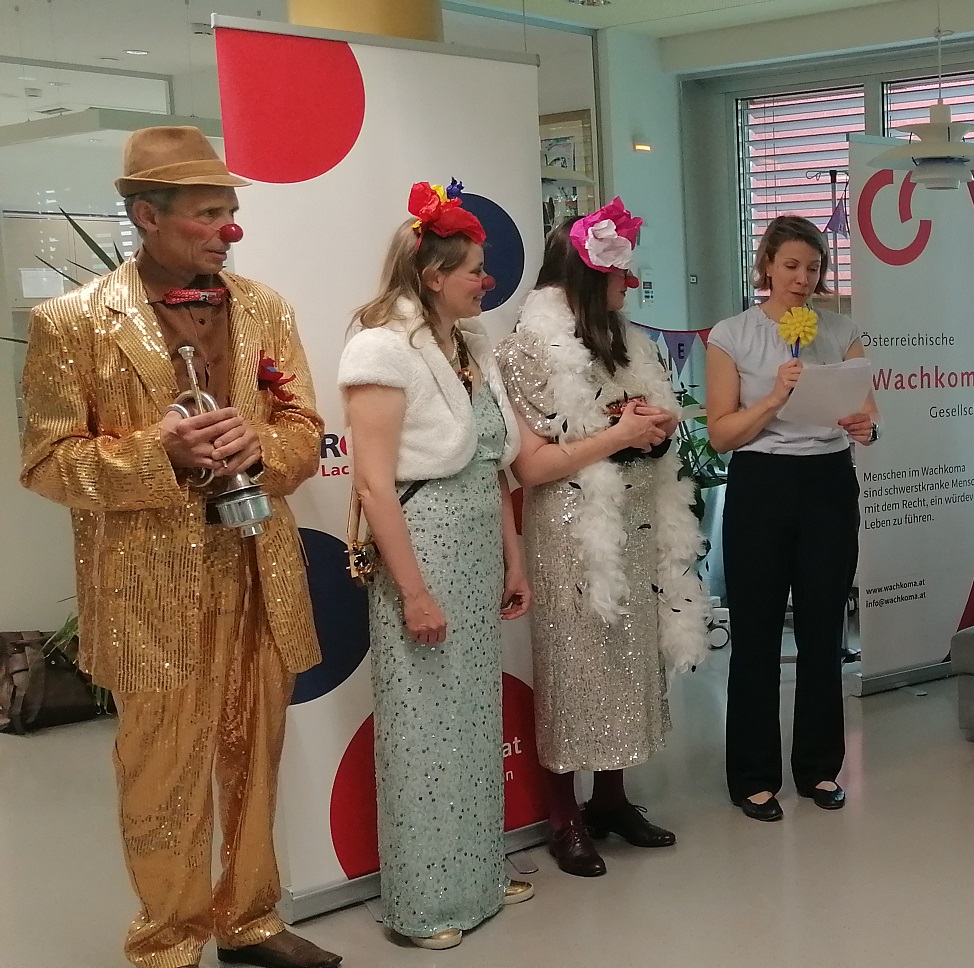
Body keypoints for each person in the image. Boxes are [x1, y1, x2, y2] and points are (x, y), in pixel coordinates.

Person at [16, 126, 340, 968]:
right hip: (147, 586)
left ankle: (251, 922)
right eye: (206, 213)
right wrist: (155, 455)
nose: (229, 229)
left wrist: (261, 445)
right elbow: (48, 463)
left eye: (229, 211)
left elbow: (304, 427)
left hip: (258, 567)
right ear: (146, 216)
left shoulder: (266, 308)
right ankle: (166, 942)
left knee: (255, 757)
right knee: (161, 768)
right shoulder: (72, 322)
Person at [339, 181, 532, 949]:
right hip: (422, 550)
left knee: (474, 721)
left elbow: (490, 465)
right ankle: (426, 901)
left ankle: (477, 873)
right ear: (433, 276)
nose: (487, 280)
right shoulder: (381, 348)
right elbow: (374, 485)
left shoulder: (468, 344)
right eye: (475, 270)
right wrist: (414, 593)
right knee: (423, 728)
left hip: (478, 546)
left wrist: (514, 559)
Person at [498, 201, 707, 872]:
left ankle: (612, 801)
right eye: (621, 273)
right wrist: (619, 434)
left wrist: (651, 429)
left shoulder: (625, 340)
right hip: (569, 532)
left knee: (627, 660)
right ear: (590, 275)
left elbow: (625, 423)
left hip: (635, 521)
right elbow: (532, 466)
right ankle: (564, 818)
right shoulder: (527, 348)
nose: (631, 284)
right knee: (574, 669)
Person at [706, 215, 876, 822]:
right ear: (767, 267)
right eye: (791, 266)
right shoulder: (731, 335)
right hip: (761, 484)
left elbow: (868, 412)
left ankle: (820, 767)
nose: (803, 279)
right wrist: (776, 397)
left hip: (828, 483)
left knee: (823, 631)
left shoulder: (843, 331)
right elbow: (721, 435)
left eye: (813, 267)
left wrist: (865, 426)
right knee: (755, 632)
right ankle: (753, 775)